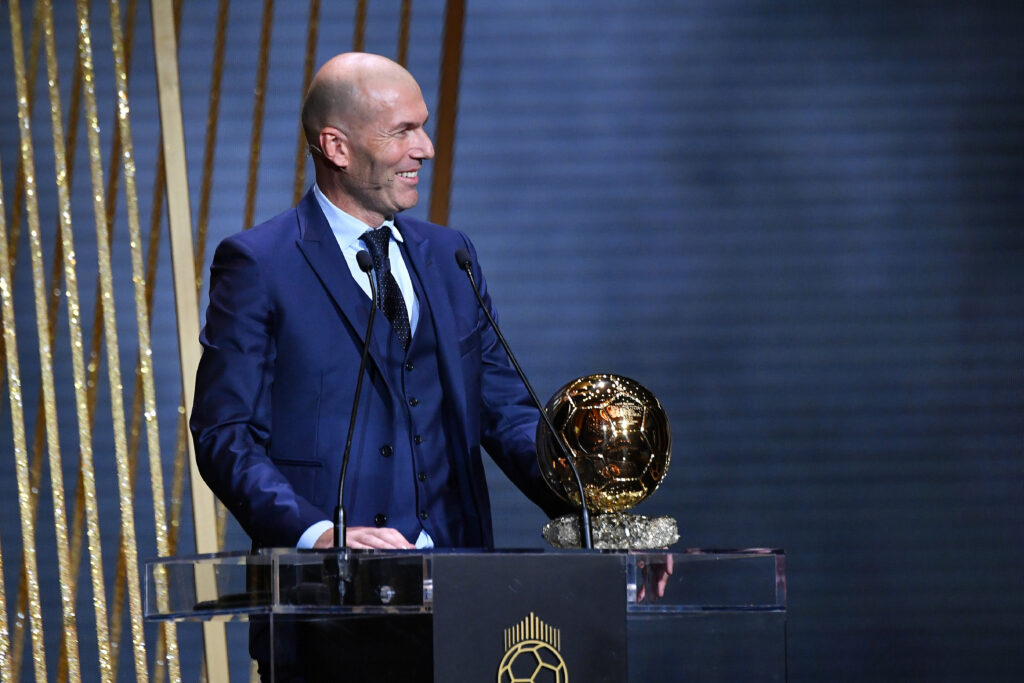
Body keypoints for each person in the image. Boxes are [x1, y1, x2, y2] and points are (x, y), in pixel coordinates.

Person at [189, 52, 569, 680]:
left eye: (424, 127)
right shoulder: (259, 265)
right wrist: (318, 534)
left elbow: (506, 411)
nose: (425, 149)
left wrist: (591, 509)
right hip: (325, 613)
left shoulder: (450, 255)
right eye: (402, 131)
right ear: (335, 146)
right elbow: (225, 436)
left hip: (463, 604)